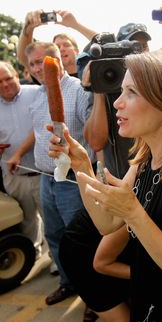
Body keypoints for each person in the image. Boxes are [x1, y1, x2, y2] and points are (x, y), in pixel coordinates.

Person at [49, 47, 162, 322]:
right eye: (121, 91)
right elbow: (107, 224)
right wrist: (81, 165)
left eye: (131, 93)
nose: (117, 103)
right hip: (149, 299)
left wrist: (134, 213)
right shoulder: (144, 158)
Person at [10, 41, 95, 306]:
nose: (37, 68)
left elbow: (94, 135)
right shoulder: (37, 95)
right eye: (32, 64)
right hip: (46, 177)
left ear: (57, 60)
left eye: (42, 61)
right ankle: (68, 283)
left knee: (80, 240)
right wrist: (17, 153)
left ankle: (94, 297)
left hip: (73, 178)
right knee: (54, 235)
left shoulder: (80, 91)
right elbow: (37, 133)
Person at [0, 61, 43, 259]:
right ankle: (32, 253)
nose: (5, 84)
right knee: (26, 220)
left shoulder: (36, 92)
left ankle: (55, 261)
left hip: (42, 172)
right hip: (13, 175)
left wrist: (19, 153)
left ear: (17, 76)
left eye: (8, 78)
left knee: (51, 220)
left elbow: (41, 125)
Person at [17, 9, 97, 79]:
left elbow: (105, 43)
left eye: (66, 45)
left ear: (76, 51)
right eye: (57, 47)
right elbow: (25, 56)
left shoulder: (90, 71)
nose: (61, 49)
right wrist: (28, 28)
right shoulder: (46, 75)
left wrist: (75, 25)